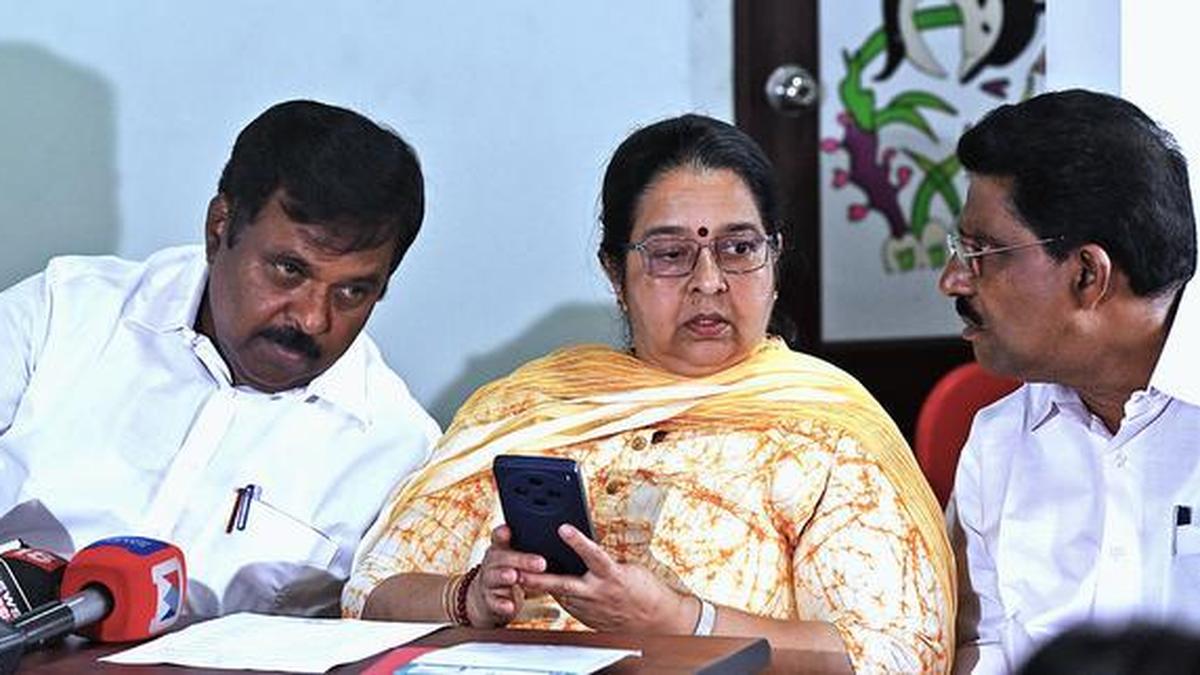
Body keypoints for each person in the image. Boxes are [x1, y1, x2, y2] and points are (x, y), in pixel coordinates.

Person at [344, 114, 955, 674]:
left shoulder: (826, 433)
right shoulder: (527, 411)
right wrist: (467, 597)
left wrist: (683, 622)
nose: (709, 282)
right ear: (615, 272)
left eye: (739, 249)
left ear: (775, 258)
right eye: (670, 255)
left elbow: (897, 656)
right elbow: (368, 596)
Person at [0, 100, 440, 617]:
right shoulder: (62, 312)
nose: (311, 319)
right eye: (288, 270)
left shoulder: (399, 449)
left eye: (352, 292)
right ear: (219, 228)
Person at [940, 89, 1200, 674]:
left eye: (981, 251)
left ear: (1087, 274)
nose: (952, 280)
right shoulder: (998, 442)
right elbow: (982, 648)